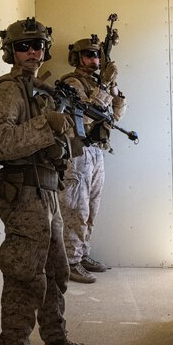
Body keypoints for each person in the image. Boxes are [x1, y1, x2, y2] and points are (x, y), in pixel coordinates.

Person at [0, 16, 91, 345]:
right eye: (23, 46)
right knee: (24, 277)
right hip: (24, 193)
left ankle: (55, 341)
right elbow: (0, 143)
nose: (33, 52)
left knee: (56, 271)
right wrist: (48, 125)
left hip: (47, 192)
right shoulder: (8, 90)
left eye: (38, 45)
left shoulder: (41, 89)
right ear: (10, 52)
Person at [59, 36, 125, 284]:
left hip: (96, 152)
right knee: (77, 208)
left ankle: (83, 254)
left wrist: (114, 89)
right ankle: (71, 261)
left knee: (92, 208)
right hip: (78, 151)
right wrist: (105, 85)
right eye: (88, 54)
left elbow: (114, 116)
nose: (94, 59)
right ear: (77, 57)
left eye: (97, 55)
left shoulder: (99, 84)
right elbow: (83, 116)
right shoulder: (71, 83)